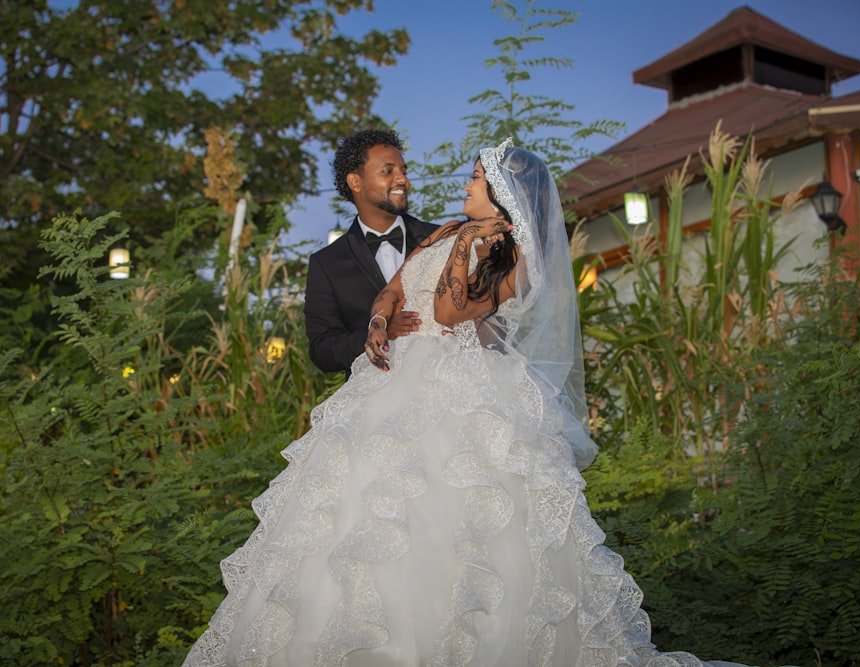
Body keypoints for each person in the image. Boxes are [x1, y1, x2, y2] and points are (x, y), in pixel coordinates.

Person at [184, 140, 744, 666]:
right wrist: (379, 319)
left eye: (477, 177)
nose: (457, 182)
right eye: (389, 169)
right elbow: (392, 289)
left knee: (461, 516)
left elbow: (453, 313)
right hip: (385, 387)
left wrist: (468, 246)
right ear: (355, 181)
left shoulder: (507, 257)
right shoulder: (435, 234)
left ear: (504, 197)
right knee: (354, 508)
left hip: (462, 389)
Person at [304, 128, 438, 375]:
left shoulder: (439, 240)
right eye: (388, 171)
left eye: (404, 171)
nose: (403, 180)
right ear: (355, 182)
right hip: (371, 404)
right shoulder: (326, 263)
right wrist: (378, 334)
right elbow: (322, 349)